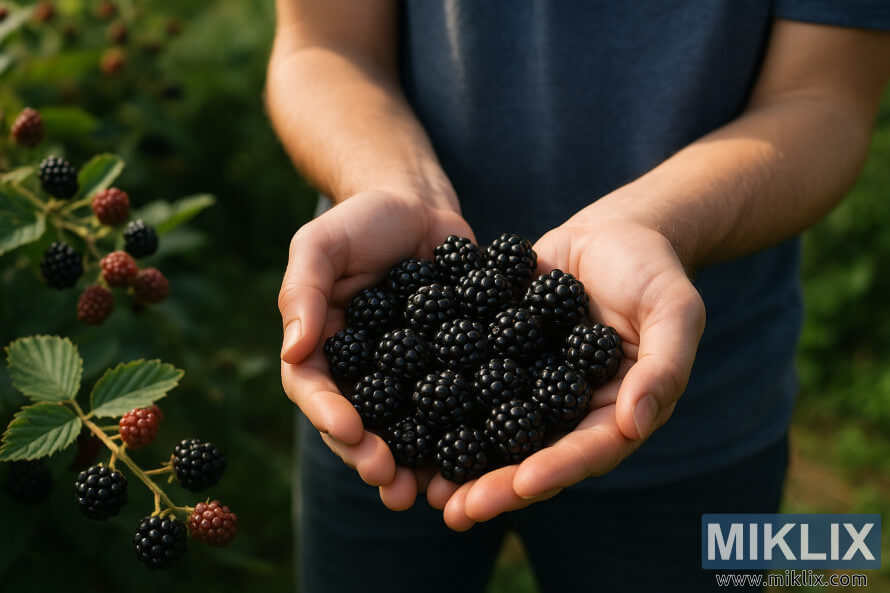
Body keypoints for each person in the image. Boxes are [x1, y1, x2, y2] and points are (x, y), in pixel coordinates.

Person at [266, 1, 890, 591]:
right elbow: (323, 46)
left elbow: (824, 101)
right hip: (381, 413)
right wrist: (394, 184)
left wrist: (653, 226)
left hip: (705, 407)